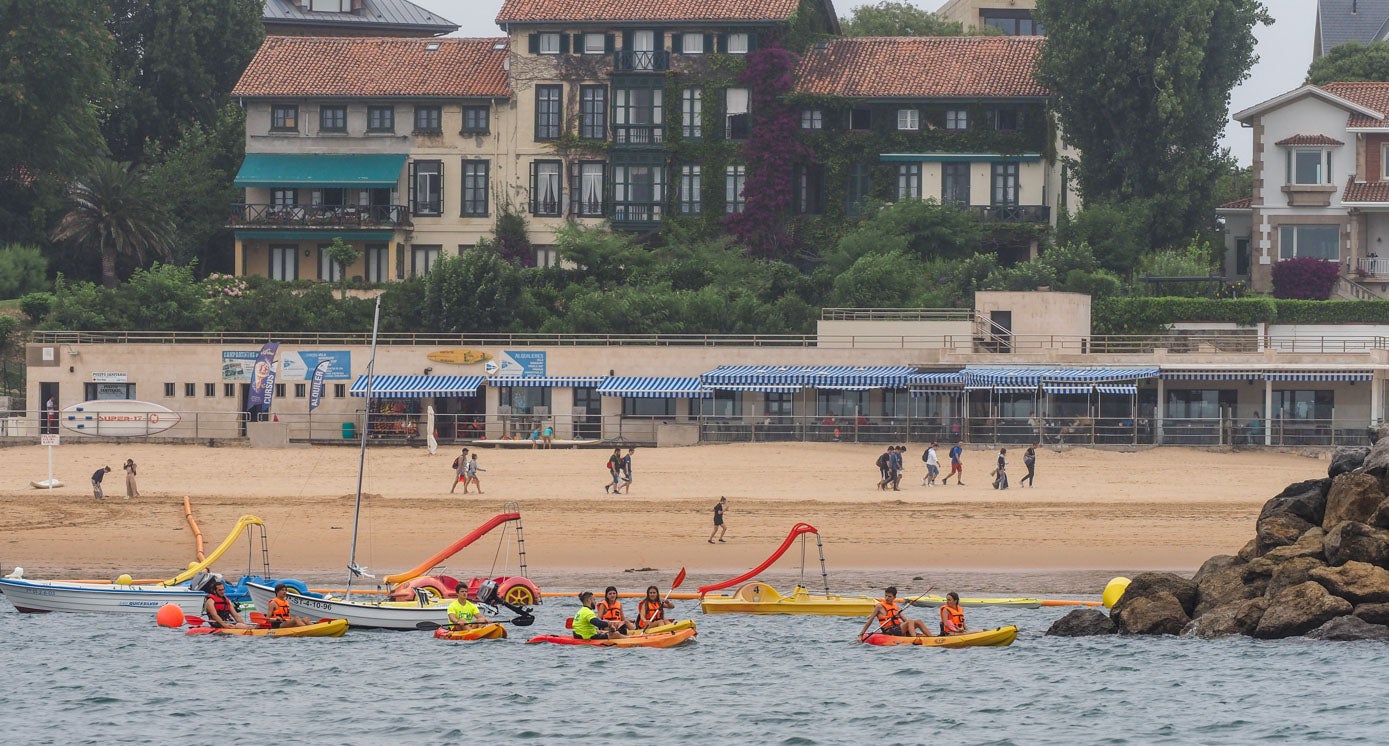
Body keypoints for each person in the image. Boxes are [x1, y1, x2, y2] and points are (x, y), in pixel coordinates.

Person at [858, 586, 931, 639]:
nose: (887, 598)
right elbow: (869, 621)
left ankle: (931, 637)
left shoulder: (896, 607)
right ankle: (914, 639)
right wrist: (861, 634)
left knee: (918, 621)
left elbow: (906, 621)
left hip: (898, 628)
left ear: (894, 597)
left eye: (889, 596)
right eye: (886, 596)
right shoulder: (879, 606)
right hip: (889, 630)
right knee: (911, 621)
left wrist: (899, 615)